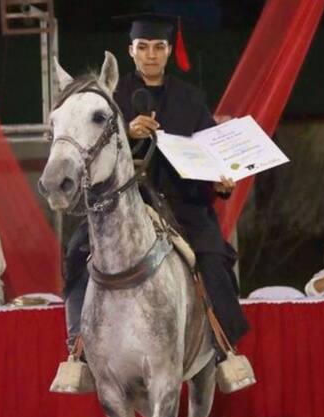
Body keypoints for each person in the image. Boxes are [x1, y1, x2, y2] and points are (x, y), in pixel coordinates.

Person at [63, 14, 249, 365]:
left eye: (159, 47)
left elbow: (213, 153)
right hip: (121, 202)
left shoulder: (190, 99)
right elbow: (90, 152)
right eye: (143, 47)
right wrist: (125, 132)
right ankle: (78, 349)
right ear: (130, 51)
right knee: (76, 252)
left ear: (168, 52)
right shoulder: (110, 97)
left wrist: (223, 179)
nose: (151, 55)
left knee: (213, 258)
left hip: (183, 206)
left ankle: (224, 349)